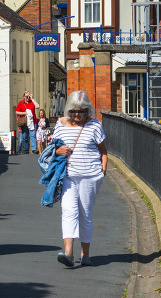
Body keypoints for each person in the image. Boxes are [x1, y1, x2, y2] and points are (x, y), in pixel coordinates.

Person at [53, 90, 107, 267]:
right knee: (69, 211)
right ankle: (68, 253)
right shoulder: (60, 124)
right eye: (74, 111)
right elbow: (52, 148)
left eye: (81, 111)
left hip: (90, 176)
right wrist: (57, 151)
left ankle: (85, 254)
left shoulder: (95, 125)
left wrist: (103, 170)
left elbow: (103, 151)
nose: (77, 114)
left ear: (87, 111)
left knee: (85, 214)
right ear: (68, 109)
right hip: (67, 176)